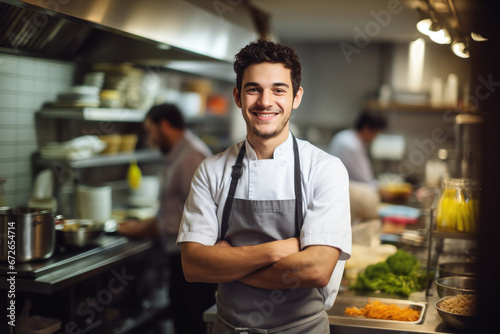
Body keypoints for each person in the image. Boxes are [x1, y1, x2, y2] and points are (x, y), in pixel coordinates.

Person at [177, 40, 352, 333]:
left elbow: (316, 269)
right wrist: (278, 250)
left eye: (278, 90)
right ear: (237, 96)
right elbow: (194, 267)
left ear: (296, 97)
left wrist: (229, 264)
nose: (265, 101)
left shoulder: (325, 169)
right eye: (253, 89)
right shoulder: (211, 170)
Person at [119, 103, 217, 334]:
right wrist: (143, 226)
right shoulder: (179, 153)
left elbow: (202, 214)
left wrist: (146, 228)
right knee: (183, 321)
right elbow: (176, 209)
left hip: (192, 261)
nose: (151, 139)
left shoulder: (191, 155)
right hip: (182, 260)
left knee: (190, 324)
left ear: (164, 125)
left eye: (150, 130)